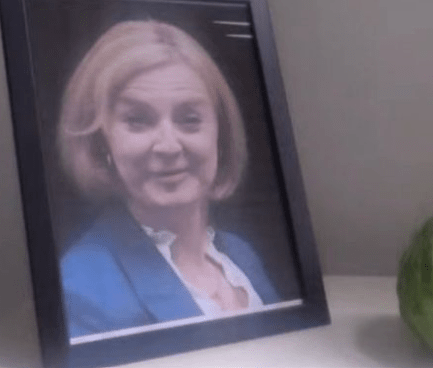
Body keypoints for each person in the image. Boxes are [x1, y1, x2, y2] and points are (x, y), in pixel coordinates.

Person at [57, 20, 279, 339]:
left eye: (189, 119)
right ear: (103, 142)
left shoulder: (242, 255)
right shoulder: (79, 289)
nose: (169, 146)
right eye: (138, 121)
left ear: (220, 134)